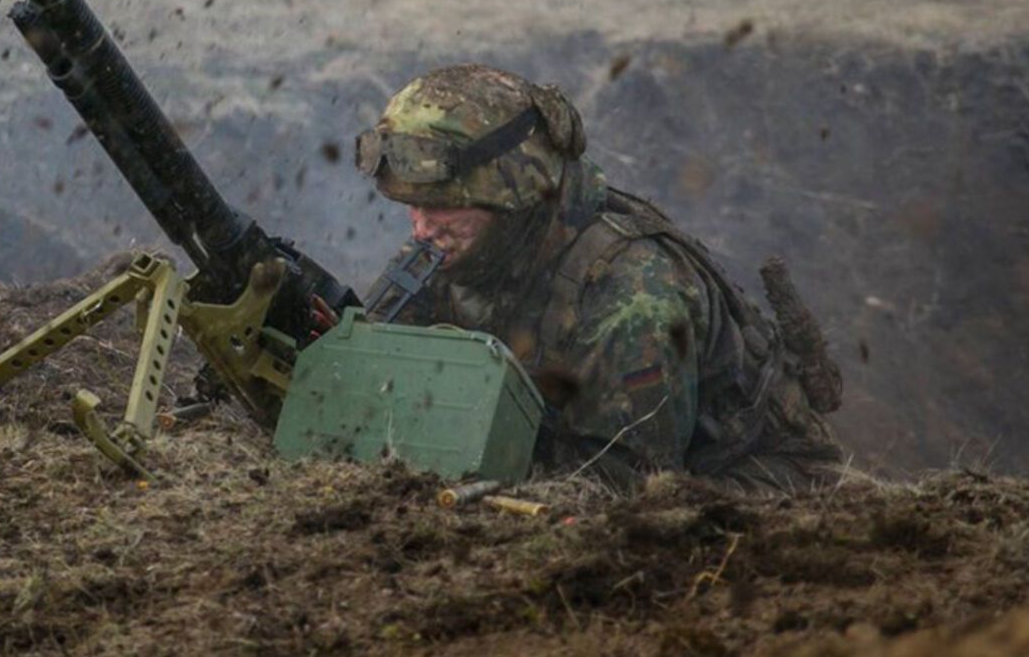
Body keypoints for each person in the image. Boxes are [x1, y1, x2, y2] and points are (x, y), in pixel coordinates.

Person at [352, 64, 846, 491]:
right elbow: (372, 376)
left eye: (441, 206)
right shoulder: (459, 245)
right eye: (412, 206)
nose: (420, 227)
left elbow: (621, 490)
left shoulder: (633, 298)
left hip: (752, 490)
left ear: (513, 198)